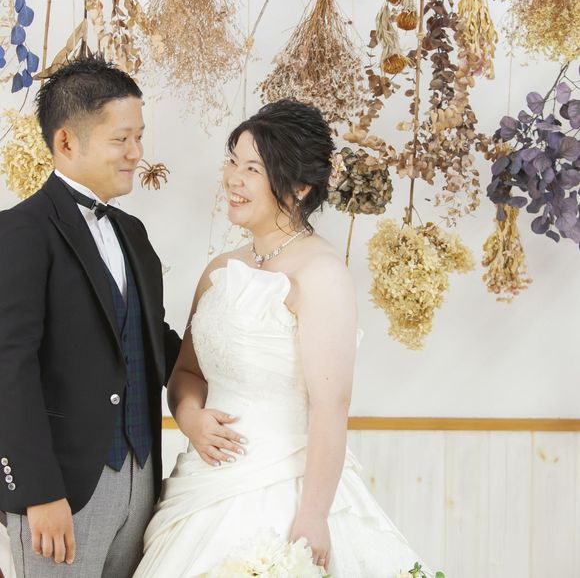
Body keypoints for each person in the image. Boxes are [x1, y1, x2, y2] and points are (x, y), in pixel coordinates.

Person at [134, 99, 433, 577]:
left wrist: (313, 515)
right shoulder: (220, 269)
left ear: (299, 186)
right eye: (232, 161)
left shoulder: (322, 272)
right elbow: (187, 371)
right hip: (206, 482)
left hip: (290, 486)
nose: (233, 179)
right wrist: (190, 419)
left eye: (253, 169)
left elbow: (330, 405)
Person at [0, 56, 181, 577]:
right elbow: (9, 367)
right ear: (66, 142)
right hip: (62, 488)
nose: (136, 153)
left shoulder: (133, 233)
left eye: (139, 137)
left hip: (142, 480)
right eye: (121, 139)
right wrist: (38, 492)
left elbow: (150, 340)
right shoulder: (21, 231)